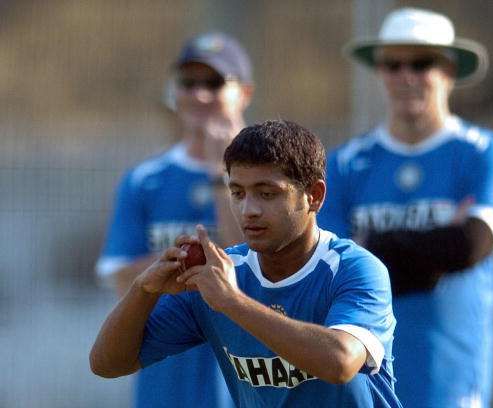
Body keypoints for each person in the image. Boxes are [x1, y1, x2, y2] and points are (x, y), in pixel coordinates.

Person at [90, 119, 402, 408]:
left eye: (267, 193)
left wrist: (233, 302)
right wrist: (143, 289)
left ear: (314, 196)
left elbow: (340, 362)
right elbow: (107, 363)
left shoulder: (353, 268)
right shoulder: (223, 275)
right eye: (237, 193)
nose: (248, 210)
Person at [318, 8, 493, 408]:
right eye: (393, 64)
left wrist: (371, 246)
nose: (406, 76)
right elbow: (331, 269)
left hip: (449, 378)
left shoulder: (482, 152)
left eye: (421, 63)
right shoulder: (344, 164)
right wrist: (433, 256)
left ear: (449, 70)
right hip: (363, 377)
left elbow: (472, 245)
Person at [95, 32, 254, 408]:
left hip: (243, 369)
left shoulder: (269, 178)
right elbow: (121, 280)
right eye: (188, 82)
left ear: (244, 93)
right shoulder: (146, 179)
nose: (199, 95)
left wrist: (222, 174)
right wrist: (190, 260)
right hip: (166, 375)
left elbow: (251, 263)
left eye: (214, 83)